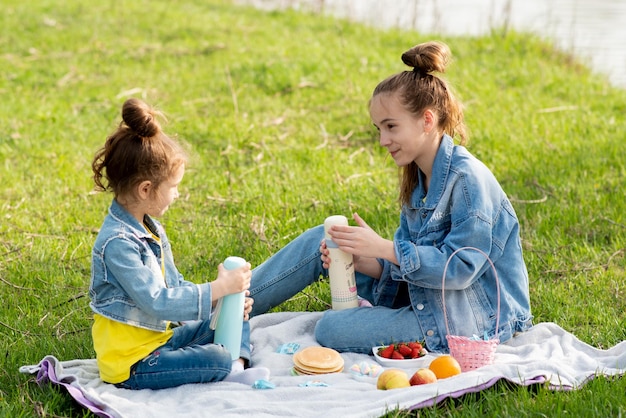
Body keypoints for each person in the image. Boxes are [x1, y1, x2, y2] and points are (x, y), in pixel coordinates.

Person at [249, 41, 533, 354]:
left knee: (331, 328)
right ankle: (225, 305)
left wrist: (384, 248)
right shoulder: (418, 181)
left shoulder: (468, 180)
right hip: (428, 302)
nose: (383, 140)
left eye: (391, 127)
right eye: (378, 129)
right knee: (330, 239)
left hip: (469, 321)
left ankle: (219, 310)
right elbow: (403, 270)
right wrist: (363, 259)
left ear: (427, 120)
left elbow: (461, 268)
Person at [89, 98, 269, 389]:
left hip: (160, 341)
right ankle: (229, 366)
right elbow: (158, 301)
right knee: (216, 357)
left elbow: (175, 285)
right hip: (133, 364)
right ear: (146, 189)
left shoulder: (150, 227)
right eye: (173, 187)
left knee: (237, 316)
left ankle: (236, 365)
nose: (177, 195)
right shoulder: (117, 244)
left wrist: (220, 304)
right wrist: (217, 288)